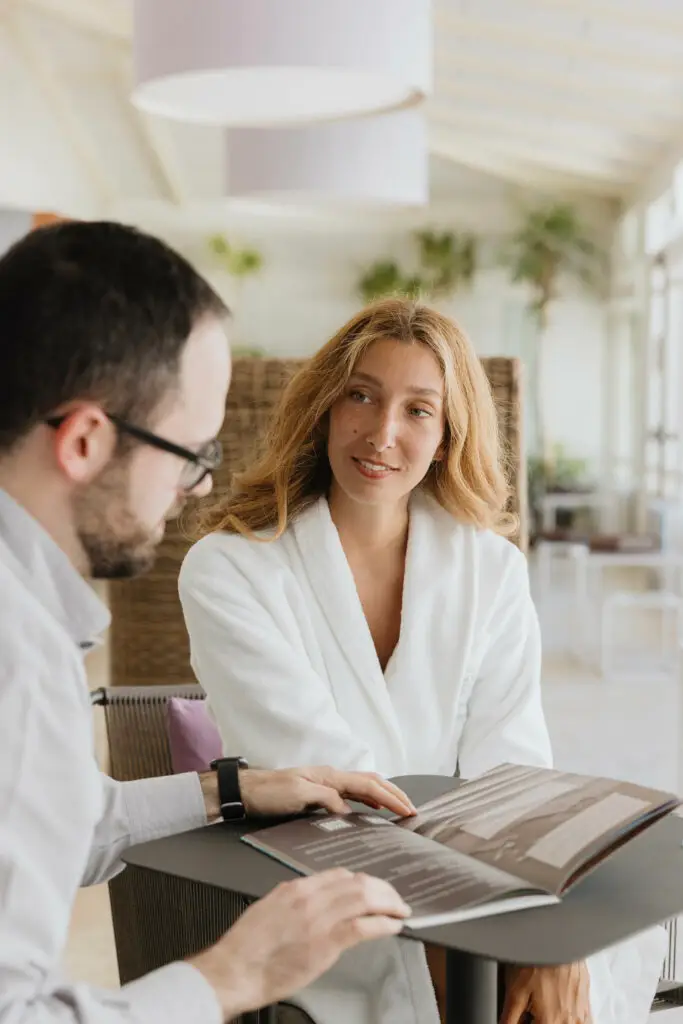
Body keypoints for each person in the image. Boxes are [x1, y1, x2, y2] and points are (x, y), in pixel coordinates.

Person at [180, 298, 667, 1024]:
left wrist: (534, 936)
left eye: (417, 410)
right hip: (321, 882)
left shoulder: (492, 573)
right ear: (323, 406)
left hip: (491, 887)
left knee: (580, 954)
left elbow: (515, 775)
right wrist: (491, 940)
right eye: (361, 395)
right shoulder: (228, 571)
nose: (381, 433)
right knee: (494, 978)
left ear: (445, 436)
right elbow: (324, 778)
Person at [0, 222, 421, 1024]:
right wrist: (231, 976)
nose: (195, 488)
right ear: (85, 440)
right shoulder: (16, 661)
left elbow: (58, 822)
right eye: (189, 452)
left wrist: (226, 790)